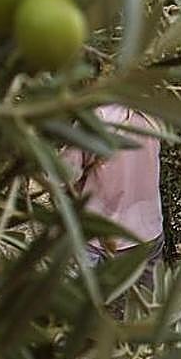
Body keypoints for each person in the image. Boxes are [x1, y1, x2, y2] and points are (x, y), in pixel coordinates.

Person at [62, 104, 165, 285]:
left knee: (78, 303)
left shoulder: (96, 117)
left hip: (97, 232)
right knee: (148, 306)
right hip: (148, 230)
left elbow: (64, 174)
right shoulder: (155, 116)